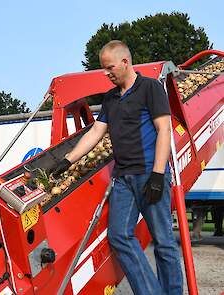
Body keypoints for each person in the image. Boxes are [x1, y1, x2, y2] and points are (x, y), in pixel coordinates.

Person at [51, 40, 183, 295]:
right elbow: (96, 133)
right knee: (120, 236)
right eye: (103, 68)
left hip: (149, 173)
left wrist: (158, 174)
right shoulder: (111, 98)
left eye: (109, 67)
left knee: (164, 242)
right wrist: (68, 159)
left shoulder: (150, 88)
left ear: (125, 62)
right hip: (123, 178)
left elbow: (164, 130)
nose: (106, 73)